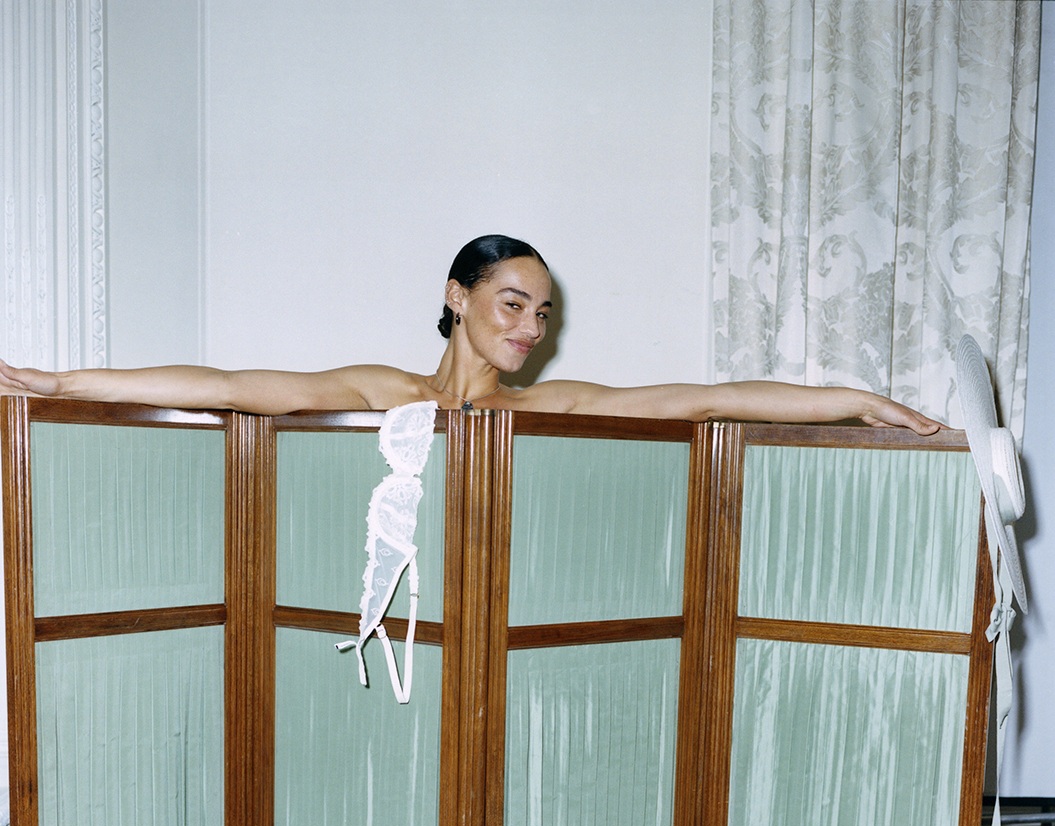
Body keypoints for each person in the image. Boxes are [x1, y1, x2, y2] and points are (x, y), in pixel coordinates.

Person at [0, 234, 941, 433]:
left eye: (543, 312)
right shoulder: (382, 389)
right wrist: (61, 383)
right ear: (457, 296)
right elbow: (228, 385)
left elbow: (709, 399)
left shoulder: (551, 403)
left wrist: (855, 400)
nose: (530, 326)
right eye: (512, 303)